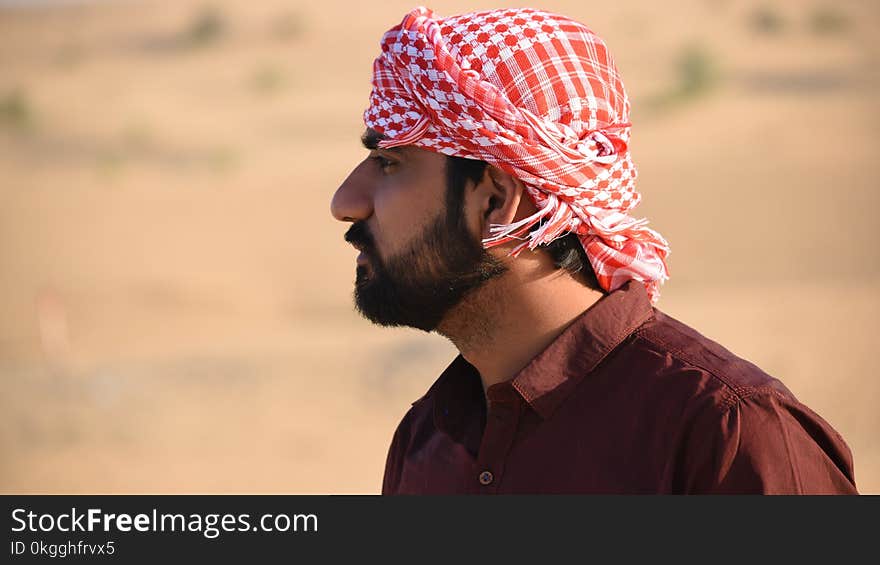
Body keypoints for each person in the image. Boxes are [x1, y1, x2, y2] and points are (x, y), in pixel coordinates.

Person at [330, 7, 858, 494]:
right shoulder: (430, 438)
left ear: (495, 199)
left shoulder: (727, 435)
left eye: (390, 163)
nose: (345, 203)